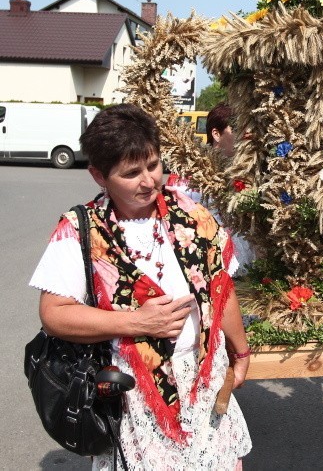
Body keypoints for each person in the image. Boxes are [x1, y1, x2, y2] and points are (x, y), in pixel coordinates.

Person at [29, 104, 252, 469]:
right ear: (99, 176)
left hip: (203, 379)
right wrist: (138, 323)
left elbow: (221, 289)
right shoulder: (80, 230)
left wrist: (240, 353)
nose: (149, 181)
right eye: (132, 173)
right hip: (133, 393)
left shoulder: (194, 218)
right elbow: (54, 315)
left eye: (153, 165)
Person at [172, 101, 256, 269]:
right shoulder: (190, 174)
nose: (245, 136)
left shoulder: (251, 169)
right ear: (216, 134)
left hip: (247, 262)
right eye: (236, 130)